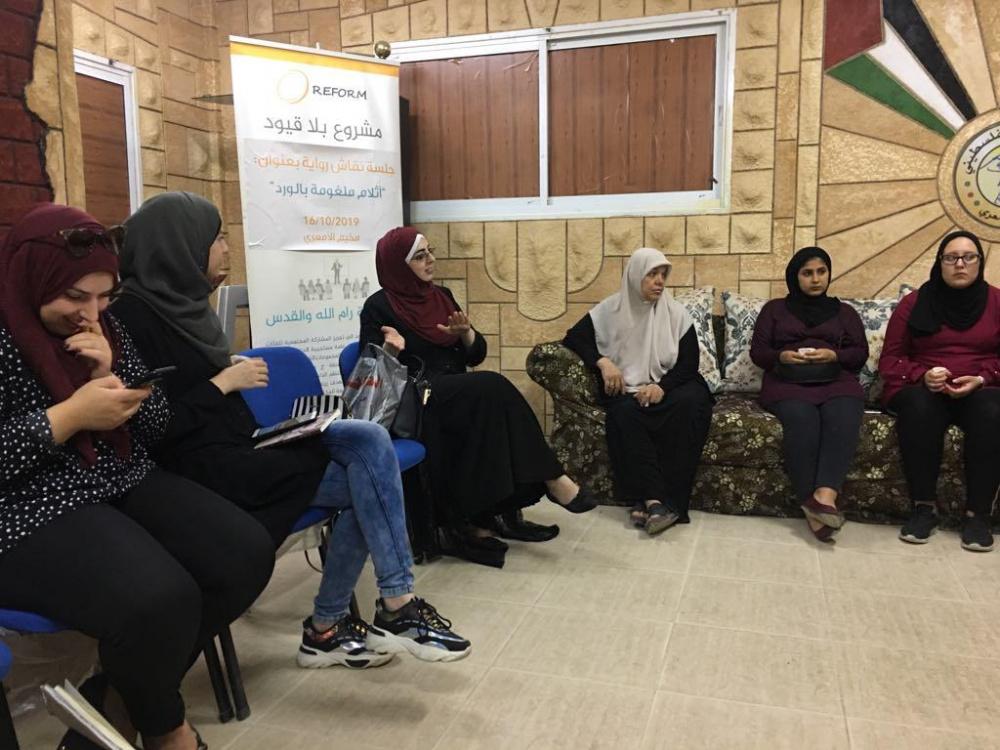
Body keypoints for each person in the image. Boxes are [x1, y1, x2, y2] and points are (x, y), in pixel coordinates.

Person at [112, 193, 470, 669]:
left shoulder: (187, 307)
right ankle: (342, 623)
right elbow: (152, 429)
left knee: (367, 439)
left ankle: (375, 610)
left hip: (244, 443)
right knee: (368, 482)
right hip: (203, 470)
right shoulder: (131, 319)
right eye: (216, 239)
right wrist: (222, 383)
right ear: (179, 248)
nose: (226, 248)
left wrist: (225, 384)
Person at [0, 203, 277, 750]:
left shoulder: (109, 327)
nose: (90, 313)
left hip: (114, 475)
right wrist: (69, 417)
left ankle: (120, 700)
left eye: (104, 296)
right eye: (74, 297)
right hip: (28, 501)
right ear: (32, 280)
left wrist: (108, 373)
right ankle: (166, 730)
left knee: (242, 554)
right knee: (160, 598)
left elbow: (154, 425)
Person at [360, 227, 597, 568]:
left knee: (492, 400)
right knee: (492, 386)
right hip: (418, 399)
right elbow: (371, 374)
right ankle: (553, 478)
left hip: (456, 393)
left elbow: (476, 355)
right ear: (398, 265)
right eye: (420, 256)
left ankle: (488, 516)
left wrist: (466, 334)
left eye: (430, 252)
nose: (431, 260)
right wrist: (389, 349)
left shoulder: (440, 296)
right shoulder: (378, 307)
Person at [563, 248, 713, 535]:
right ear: (634, 276)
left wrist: (661, 387)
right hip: (630, 389)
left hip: (671, 385)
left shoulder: (676, 313)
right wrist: (603, 362)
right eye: (652, 274)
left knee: (690, 404)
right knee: (623, 414)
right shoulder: (609, 310)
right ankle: (653, 501)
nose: (659, 281)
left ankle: (663, 501)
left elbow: (688, 364)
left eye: (663, 275)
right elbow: (573, 338)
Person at [879, 230, 1000, 552]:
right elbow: (890, 359)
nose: (960, 264)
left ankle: (977, 516)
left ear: (979, 262)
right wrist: (922, 375)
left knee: (993, 411)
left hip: (982, 389)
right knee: (919, 407)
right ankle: (924, 508)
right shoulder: (913, 304)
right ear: (940, 262)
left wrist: (983, 378)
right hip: (926, 388)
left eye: (968, 257)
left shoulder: (997, 302)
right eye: (951, 258)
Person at [749, 247, 868, 542]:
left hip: (835, 381)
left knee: (843, 414)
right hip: (786, 382)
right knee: (802, 420)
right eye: (807, 273)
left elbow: (859, 354)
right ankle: (813, 505)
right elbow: (759, 352)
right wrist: (782, 356)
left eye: (821, 272)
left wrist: (834, 355)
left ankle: (824, 497)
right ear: (795, 276)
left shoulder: (845, 312)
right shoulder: (774, 310)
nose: (816, 279)